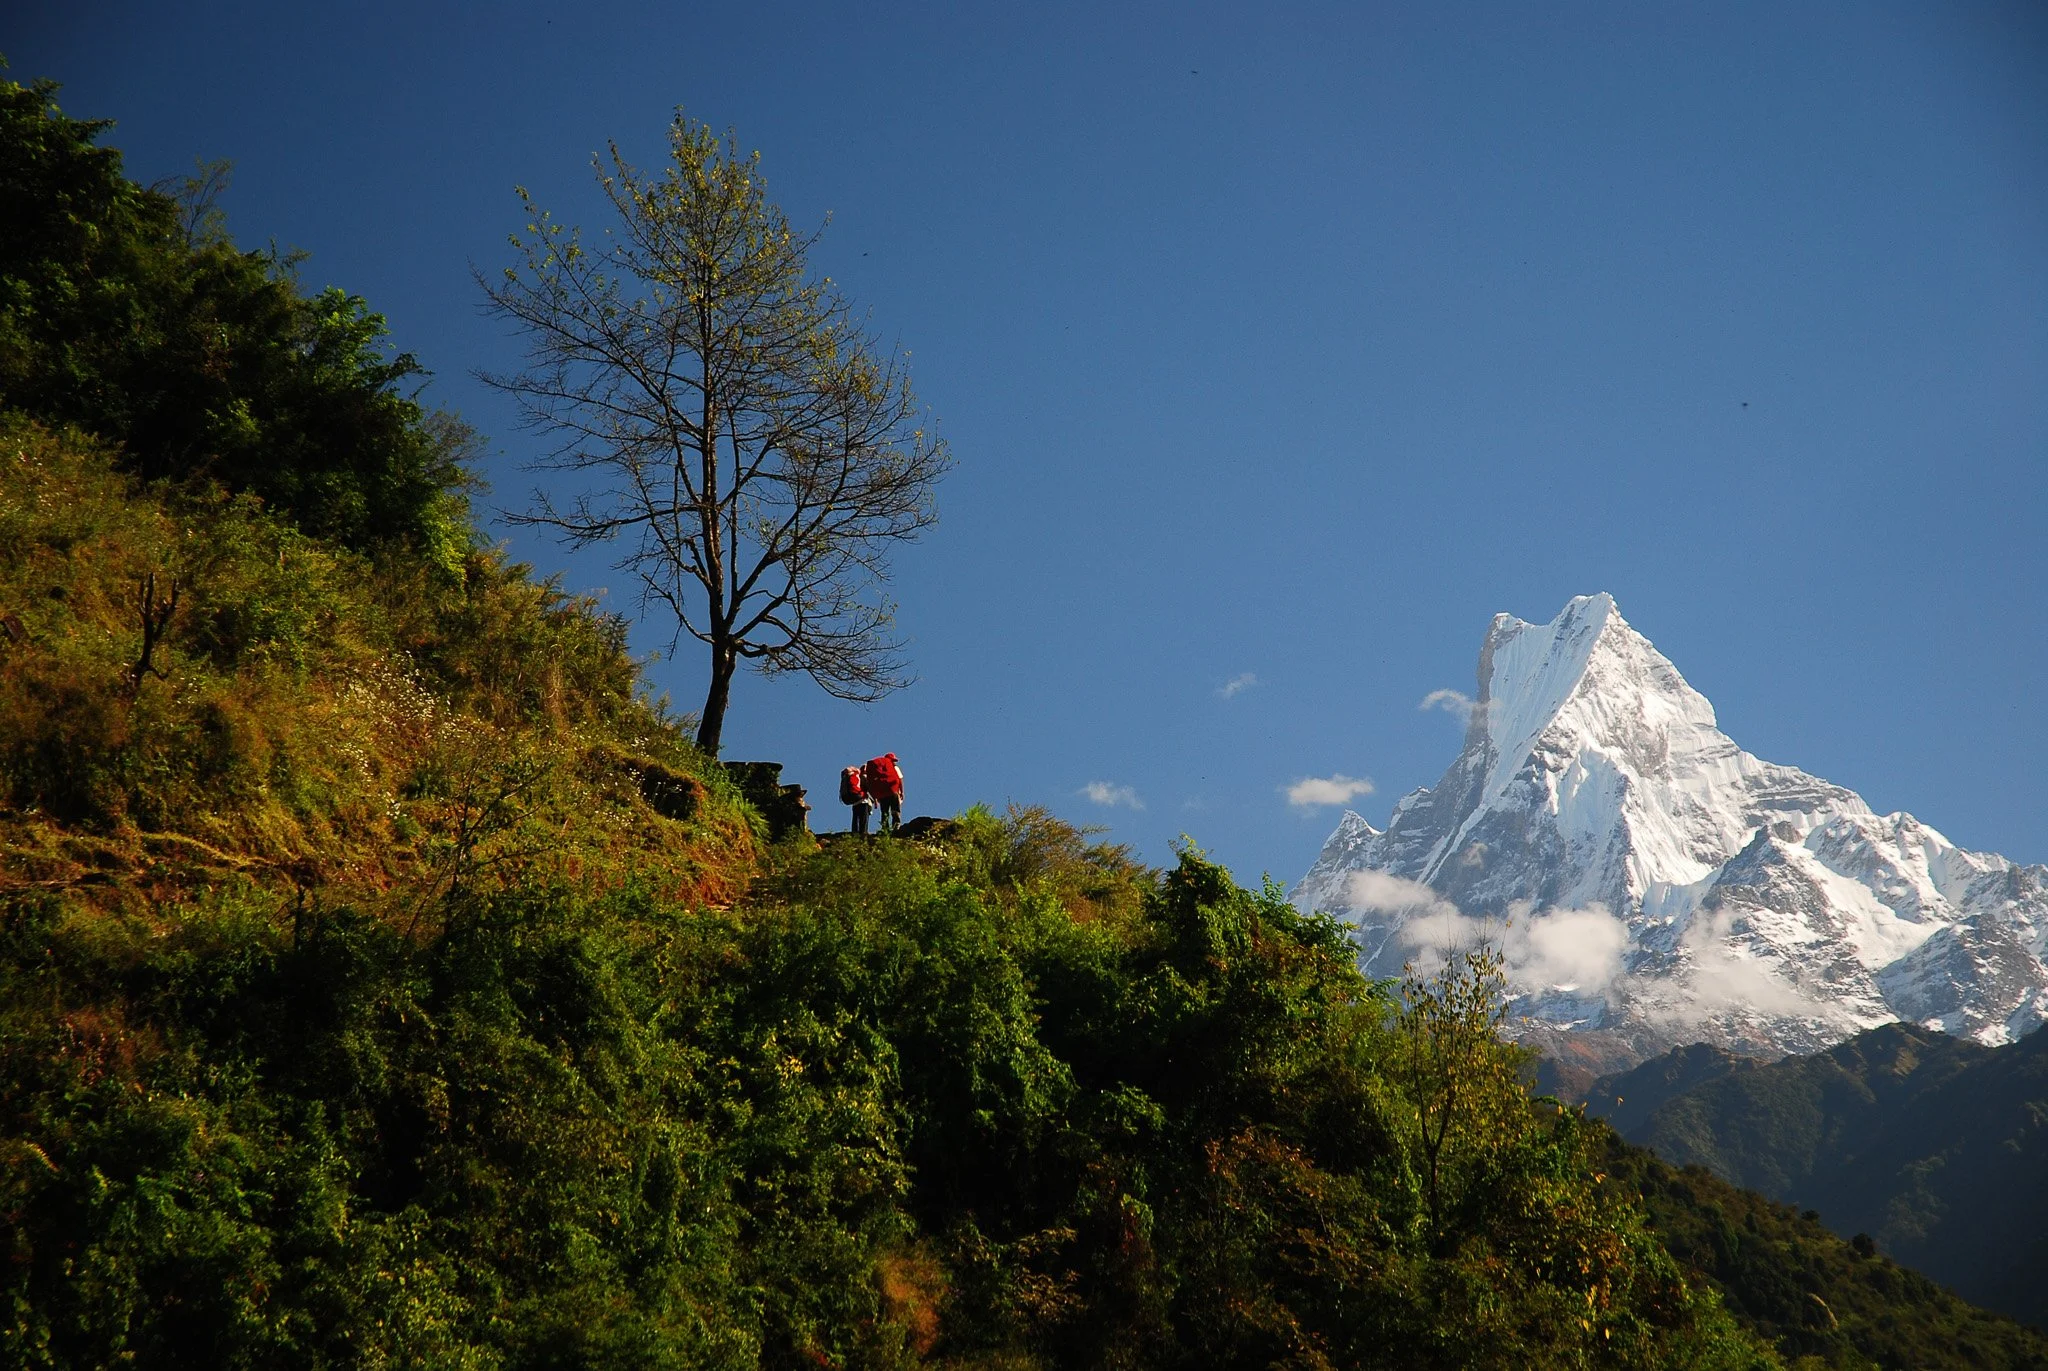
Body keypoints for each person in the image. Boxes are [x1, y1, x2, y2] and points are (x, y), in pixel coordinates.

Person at [862, 752, 903, 835]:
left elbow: (872, 783)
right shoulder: (894, 768)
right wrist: (902, 792)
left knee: (884, 811)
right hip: (893, 791)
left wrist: (876, 796)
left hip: (882, 793)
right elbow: (900, 780)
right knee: (895, 810)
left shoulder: (878, 770)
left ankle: (885, 828)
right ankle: (896, 827)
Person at [839, 764, 872, 836]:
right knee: (863, 818)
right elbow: (868, 788)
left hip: (854, 801)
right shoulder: (862, 776)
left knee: (855, 818)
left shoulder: (851, 775)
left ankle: (855, 832)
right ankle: (863, 832)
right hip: (862, 800)